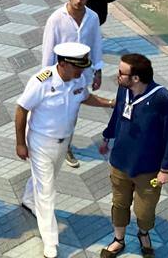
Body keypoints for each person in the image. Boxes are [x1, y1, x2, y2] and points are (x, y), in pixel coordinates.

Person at [15, 42, 115, 258]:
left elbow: (85, 97)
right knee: (48, 190)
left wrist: (109, 103)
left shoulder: (77, 79)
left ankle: (28, 200)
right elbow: (22, 108)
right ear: (62, 63)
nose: (82, 71)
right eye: (78, 66)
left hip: (64, 142)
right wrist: (20, 143)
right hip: (41, 142)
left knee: (45, 180)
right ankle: (50, 242)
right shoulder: (42, 81)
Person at [98, 54, 168, 258]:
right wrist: (108, 136)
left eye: (121, 73)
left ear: (135, 78)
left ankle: (143, 233)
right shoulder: (124, 90)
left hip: (149, 169)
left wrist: (166, 168)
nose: (117, 76)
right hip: (120, 162)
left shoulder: (163, 99)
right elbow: (118, 113)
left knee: (145, 211)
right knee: (119, 204)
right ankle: (118, 239)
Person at [41, 0, 105, 169]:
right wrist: (45, 77)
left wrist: (98, 71)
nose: (78, 0)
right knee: (55, 110)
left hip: (81, 75)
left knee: (73, 111)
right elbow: (48, 48)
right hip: (58, 75)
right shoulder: (56, 18)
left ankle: (66, 145)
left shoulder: (92, 18)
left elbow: (96, 44)